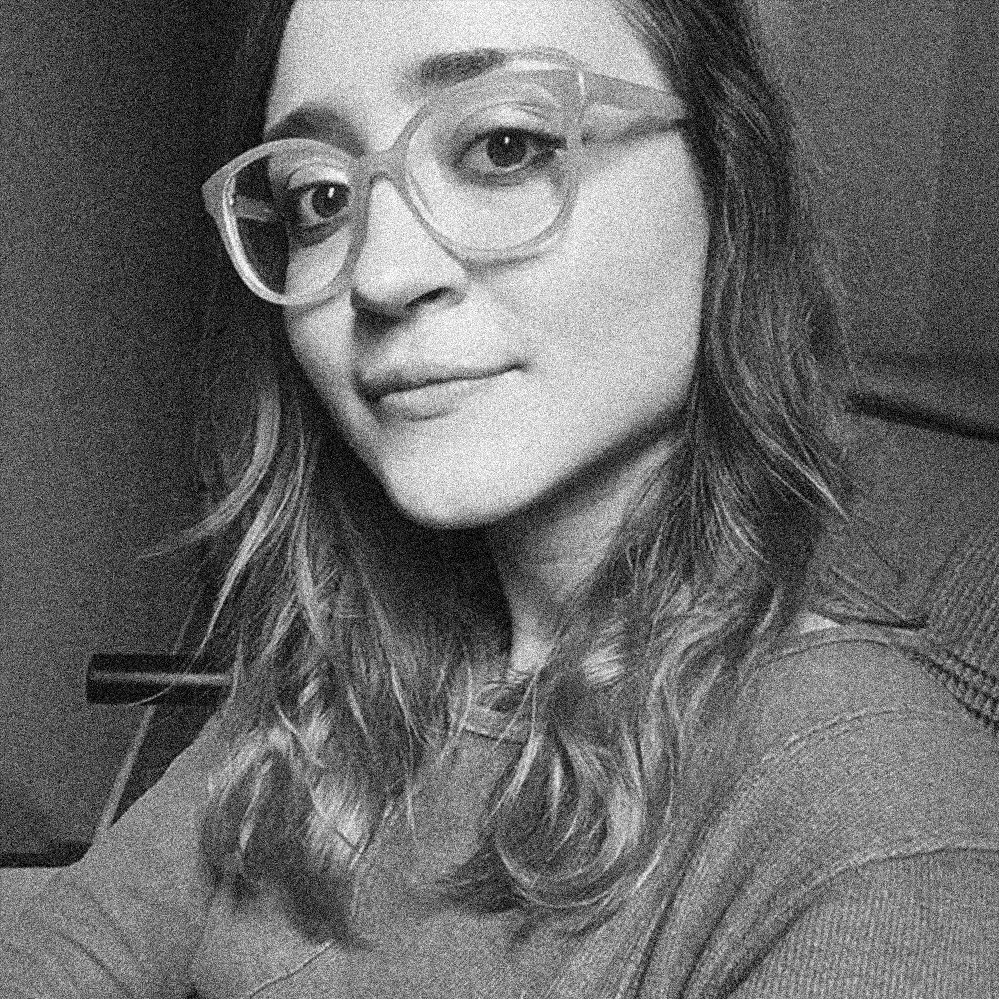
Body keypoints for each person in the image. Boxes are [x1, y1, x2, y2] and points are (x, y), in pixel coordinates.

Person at [3, 0, 998, 995]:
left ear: (730, 186)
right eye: (319, 198)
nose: (381, 274)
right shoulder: (339, 681)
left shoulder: (876, 829)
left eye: (504, 147)